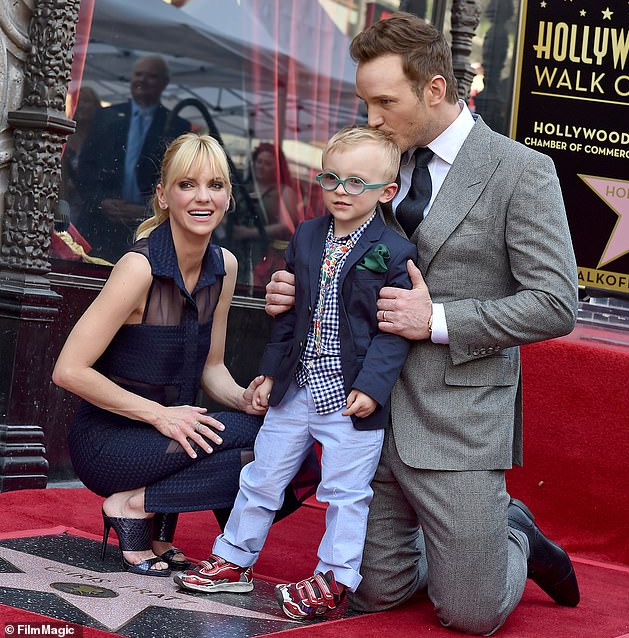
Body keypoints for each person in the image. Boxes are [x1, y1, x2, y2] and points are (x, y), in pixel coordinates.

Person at [264, 12, 580, 635]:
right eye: (365, 101)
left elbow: (555, 303)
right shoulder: (372, 160)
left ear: (435, 89)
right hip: (361, 410)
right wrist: (298, 292)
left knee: (471, 615)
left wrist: (432, 318)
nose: (372, 117)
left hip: (456, 421)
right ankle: (464, 547)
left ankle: (510, 533)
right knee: (369, 593)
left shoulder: (521, 171)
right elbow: (338, 262)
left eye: (386, 101)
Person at [175, 126, 418, 620]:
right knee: (262, 477)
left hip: (350, 397)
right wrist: (268, 373)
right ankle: (233, 560)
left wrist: (372, 387)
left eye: (357, 183)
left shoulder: (394, 251)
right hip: (297, 387)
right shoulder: (307, 235)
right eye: (332, 179)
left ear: (387, 192)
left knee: (346, 493)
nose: (342, 192)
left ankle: (334, 578)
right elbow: (289, 316)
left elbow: (393, 334)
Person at [52, 133, 314, 578]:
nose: (202, 197)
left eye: (214, 185)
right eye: (186, 184)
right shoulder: (139, 268)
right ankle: (130, 503)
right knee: (262, 437)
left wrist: (241, 399)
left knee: (283, 431)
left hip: (168, 437)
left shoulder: (225, 267)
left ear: (229, 197)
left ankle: (140, 504)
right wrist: (160, 415)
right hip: (108, 441)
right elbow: (68, 370)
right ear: (163, 195)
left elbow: (212, 367)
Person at [76, 55, 191, 263]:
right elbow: (85, 169)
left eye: (151, 76)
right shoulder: (106, 116)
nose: (143, 80)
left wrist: (150, 208)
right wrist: (102, 201)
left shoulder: (176, 125)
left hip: (148, 230)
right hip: (98, 226)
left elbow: (180, 178)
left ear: (165, 83)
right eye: (138, 74)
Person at [230, 142, 302, 290]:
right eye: (259, 162)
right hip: (237, 250)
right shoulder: (243, 187)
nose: (261, 167)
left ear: (277, 168)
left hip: (269, 255)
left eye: (267, 163)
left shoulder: (285, 192)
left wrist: (248, 233)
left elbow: (286, 227)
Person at [58, 86, 103, 227]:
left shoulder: (104, 136)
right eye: (78, 102)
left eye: (87, 102)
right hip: (70, 201)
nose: (81, 106)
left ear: (97, 106)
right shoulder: (66, 136)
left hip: (95, 202)